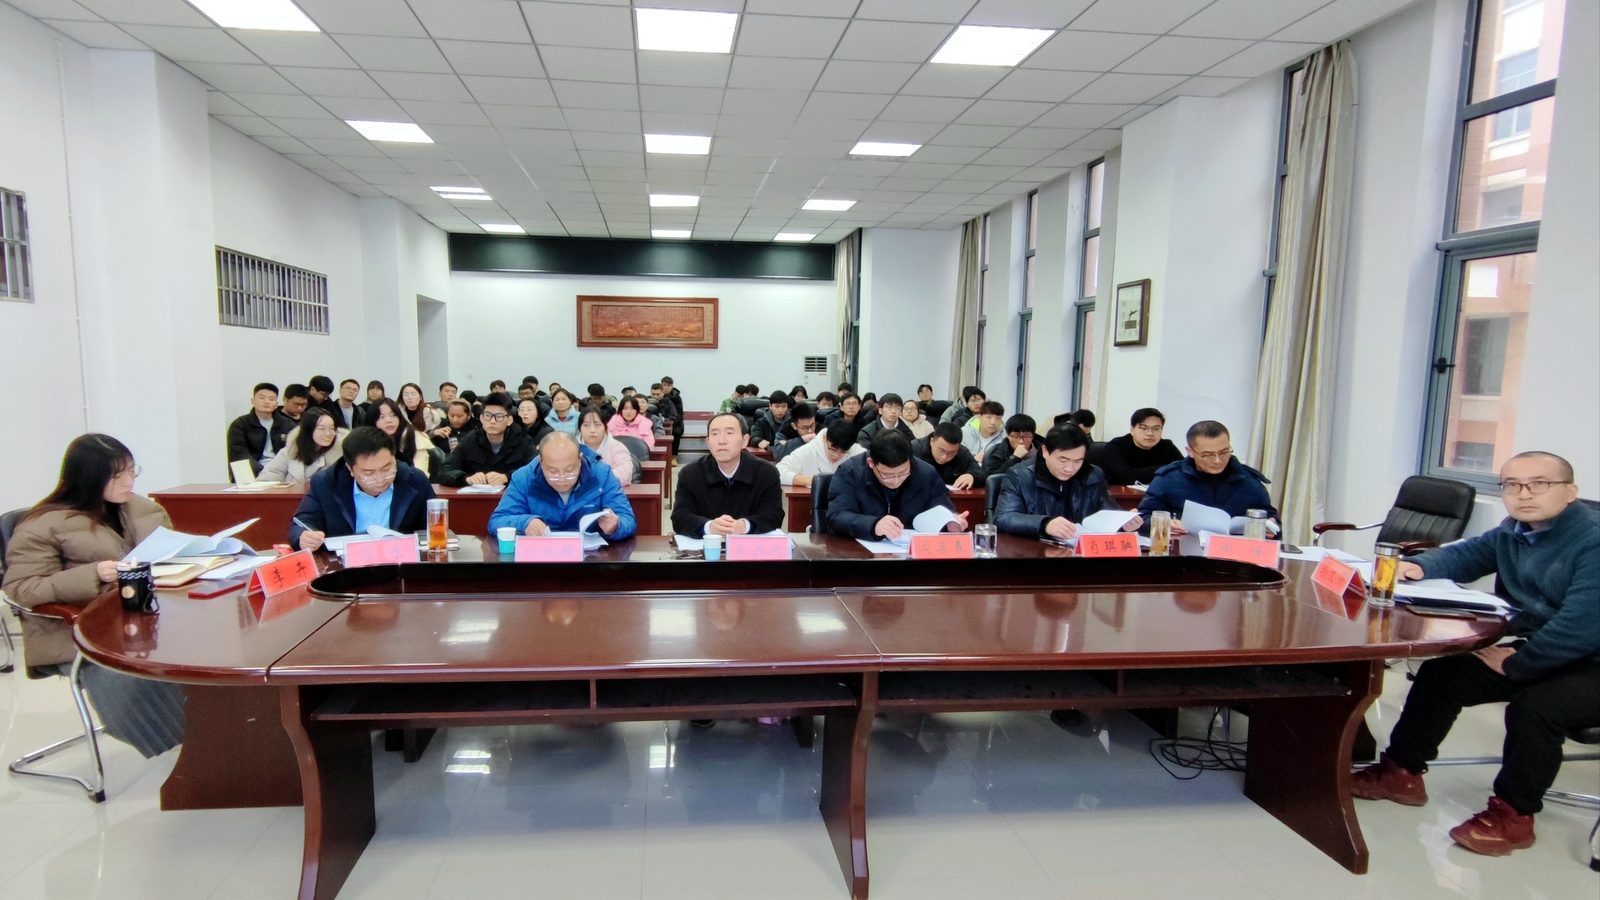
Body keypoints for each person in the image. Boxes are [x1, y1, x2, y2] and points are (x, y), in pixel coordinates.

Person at [1351, 452, 1599, 857]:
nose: (1524, 494)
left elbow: (1582, 627)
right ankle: (1401, 772)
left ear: (1570, 491)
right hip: (1547, 648)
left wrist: (1518, 664)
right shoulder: (1514, 531)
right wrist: (1417, 567)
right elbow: (1467, 555)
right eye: (1512, 485)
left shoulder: (1592, 541)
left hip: (1591, 661)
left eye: (1539, 483)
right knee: (1444, 674)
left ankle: (1514, 814)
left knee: (1537, 706)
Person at [2, 434, 187, 758]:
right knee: (137, 674)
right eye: (118, 475)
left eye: (132, 470)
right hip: (81, 633)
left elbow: (172, 552)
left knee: (209, 650)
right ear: (89, 477)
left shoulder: (142, 508)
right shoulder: (42, 526)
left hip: (147, 617)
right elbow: (22, 588)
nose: (129, 481)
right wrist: (93, 574)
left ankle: (221, 735)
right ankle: (185, 748)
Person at [289, 426, 437, 550]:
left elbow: (433, 528)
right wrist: (303, 537)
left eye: (386, 469)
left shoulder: (415, 480)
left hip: (400, 561)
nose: (380, 479)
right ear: (350, 469)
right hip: (345, 566)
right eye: (369, 473)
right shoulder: (327, 483)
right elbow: (302, 523)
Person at [994, 425, 1138, 541]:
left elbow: (1108, 511)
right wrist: (1045, 524)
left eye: (1078, 461)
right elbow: (1003, 518)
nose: (1070, 468)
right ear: (1045, 451)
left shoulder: (1093, 474)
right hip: (1036, 553)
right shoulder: (1020, 476)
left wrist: (1124, 521)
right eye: (1063, 460)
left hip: (1082, 552)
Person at [488, 432, 636, 539]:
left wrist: (616, 525)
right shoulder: (524, 478)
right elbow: (497, 521)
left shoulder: (601, 475)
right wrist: (524, 523)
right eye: (553, 472)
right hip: (539, 560)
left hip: (591, 560)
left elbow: (628, 519)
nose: (562, 479)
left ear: (580, 459)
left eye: (570, 470)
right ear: (541, 462)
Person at [1137, 420, 1277, 532]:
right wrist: (1166, 524)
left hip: (1233, 554)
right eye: (1208, 455)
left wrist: (1272, 528)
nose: (1217, 460)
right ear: (1190, 452)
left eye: (1224, 452)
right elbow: (1144, 517)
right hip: (1183, 553)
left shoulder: (1248, 480)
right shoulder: (1169, 479)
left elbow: (1270, 518)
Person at [826, 431, 966, 539]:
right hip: (860, 553)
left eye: (903, 473)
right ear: (871, 463)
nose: (896, 480)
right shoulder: (850, 472)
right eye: (888, 475)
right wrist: (873, 525)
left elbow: (942, 506)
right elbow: (837, 516)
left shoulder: (926, 473)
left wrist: (951, 521)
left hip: (910, 553)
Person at [671, 413, 784, 537]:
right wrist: (710, 527)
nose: (722, 441)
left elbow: (774, 516)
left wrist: (744, 526)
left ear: (744, 441)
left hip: (750, 545)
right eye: (715, 434)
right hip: (705, 545)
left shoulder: (766, 473)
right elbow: (680, 518)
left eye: (729, 433)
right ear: (708, 442)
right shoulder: (690, 474)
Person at [438, 392, 537, 487]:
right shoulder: (471, 439)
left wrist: (507, 477)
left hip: (513, 495)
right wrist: (466, 478)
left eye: (499, 416)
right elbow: (445, 470)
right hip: (478, 495)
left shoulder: (523, 440)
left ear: (509, 420)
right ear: (481, 418)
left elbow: (536, 470)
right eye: (488, 416)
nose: (492, 421)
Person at [260, 407, 346, 484]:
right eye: (322, 429)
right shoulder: (290, 451)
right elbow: (265, 481)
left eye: (332, 428)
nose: (328, 433)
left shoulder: (341, 455)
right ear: (308, 430)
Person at [1100, 408, 1185, 485]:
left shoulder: (1167, 446)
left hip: (1157, 494)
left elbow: (1185, 469)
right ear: (1132, 430)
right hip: (1119, 495)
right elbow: (1128, 477)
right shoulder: (1116, 446)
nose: (1150, 433)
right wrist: (1165, 468)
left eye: (1156, 429)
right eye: (1144, 428)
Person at [226, 382, 293, 479]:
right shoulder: (240, 424)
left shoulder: (287, 424)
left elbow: (294, 451)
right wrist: (262, 471)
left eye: (271, 399)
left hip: (281, 472)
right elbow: (239, 453)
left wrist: (277, 471)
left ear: (276, 404)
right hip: (251, 473)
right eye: (262, 398)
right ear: (252, 401)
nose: (266, 402)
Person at [778, 419, 863, 488]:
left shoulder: (855, 451)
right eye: (833, 450)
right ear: (824, 438)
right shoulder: (810, 449)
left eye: (843, 452)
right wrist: (818, 481)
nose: (836, 456)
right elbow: (779, 472)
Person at [370, 397, 437, 475]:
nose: (389, 420)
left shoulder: (414, 437)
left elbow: (420, 474)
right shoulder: (367, 440)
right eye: (382, 417)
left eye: (393, 415)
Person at [912, 422, 985, 489]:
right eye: (941, 451)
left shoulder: (962, 453)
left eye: (951, 453)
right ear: (932, 441)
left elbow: (981, 474)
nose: (944, 457)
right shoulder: (914, 450)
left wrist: (972, 476)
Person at [577, 407, 636, 485]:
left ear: (605, 428)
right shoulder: (571, 449)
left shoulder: (617, 447)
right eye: (586, 425)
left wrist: (590, 479)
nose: (592, 430)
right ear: (579, 430)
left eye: (597, 425)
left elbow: (625, 475)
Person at [980, 414, 1038, 480]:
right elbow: (992, 480)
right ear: (1007, 435)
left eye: (1026, 436)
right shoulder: (994, 453)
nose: (1021, 441)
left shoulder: (1042, 451)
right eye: (1016, 436)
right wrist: (1014, 458)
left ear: (1033, 435)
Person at [661, 376, 685, 455]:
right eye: (664, 385)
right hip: (661, 422)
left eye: (669, 385)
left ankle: (673, 455)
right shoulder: (658, 396)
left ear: (672, 386)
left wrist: (671, 423)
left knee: (676, 432)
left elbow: (679, 414)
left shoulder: (677, 398)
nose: (666, 387)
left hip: (675, 423)